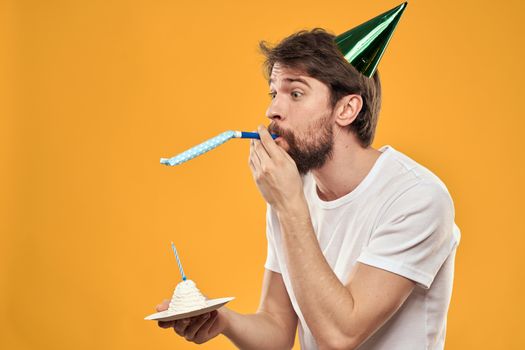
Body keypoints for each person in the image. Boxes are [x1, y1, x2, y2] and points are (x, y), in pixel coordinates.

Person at [155, 6, 460, 350]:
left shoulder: (417, 198)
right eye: (274, 93)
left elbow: (341, 335)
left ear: (346, 109)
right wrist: (222, 320)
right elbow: (277, 330)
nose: (272, 110)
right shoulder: (292, 189)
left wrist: (288, 205)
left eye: (295, 93)